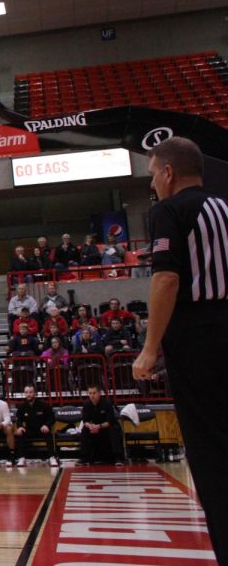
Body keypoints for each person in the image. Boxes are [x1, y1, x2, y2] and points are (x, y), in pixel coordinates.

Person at [132, 136, 228, 564]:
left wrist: (150, 348)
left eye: (153, 173)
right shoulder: (224, 206)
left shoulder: (167, 210)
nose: (152, 182)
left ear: (168, 172)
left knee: (209, 452)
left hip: (199, 341)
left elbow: (166, 280)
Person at [78, 385, 125, 466]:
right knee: (84, 431)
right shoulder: (86, 404)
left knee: (114, 429)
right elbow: (85, 421)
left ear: (99, 393)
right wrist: (90, 426)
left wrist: (99, 426)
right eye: (90, 393)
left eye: (94, 393)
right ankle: (84, 458)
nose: (92, 395)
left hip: (106, 427)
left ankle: (118, 457)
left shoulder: (107, 403)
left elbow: (110, 421)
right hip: (94, 428)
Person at [14, 386, 58, 466]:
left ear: (35, 393)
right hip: (29, 430)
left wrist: (46, 425)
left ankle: (52, 457)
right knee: (20, 434)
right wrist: (20, 427)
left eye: (30, 392)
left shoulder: (43, 405)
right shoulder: (22, 407)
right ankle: (21, 458)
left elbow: (52, 418)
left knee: (49, 434)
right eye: (26, 392)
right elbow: (18, 420)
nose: (28, 394)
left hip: (42, 429)